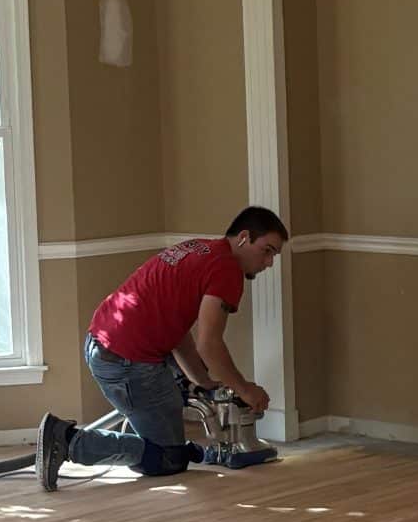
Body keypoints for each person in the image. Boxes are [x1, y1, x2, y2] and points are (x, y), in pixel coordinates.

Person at [36, 207, 288, 489]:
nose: (268, 262)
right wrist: (244, 389)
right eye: (267, 251)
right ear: (244, 237)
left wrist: (202, 380)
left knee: (175, 407)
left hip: (102, 342)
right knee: (167, 459)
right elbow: (210, 344)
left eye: (273, 255)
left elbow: (176, 329)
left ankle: (188, 448)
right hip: (128, 360)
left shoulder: (199, 249)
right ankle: (68, 441)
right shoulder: (227, 270)